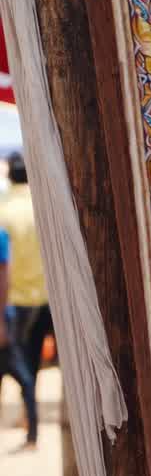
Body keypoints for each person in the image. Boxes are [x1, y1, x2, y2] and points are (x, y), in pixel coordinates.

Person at [0, 154, 51, 387]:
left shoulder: (3, 210)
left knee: (6, 363)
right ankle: (30, 418)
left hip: (11, 298)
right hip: (41, 297)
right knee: (32, 361)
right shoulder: (41, 208)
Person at [0, 222, 38, 452]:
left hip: (5, 317)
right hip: (9, 314)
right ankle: (32, 433)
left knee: (22, 376)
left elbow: (4, 278)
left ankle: (33, 433)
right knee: (23, 377)